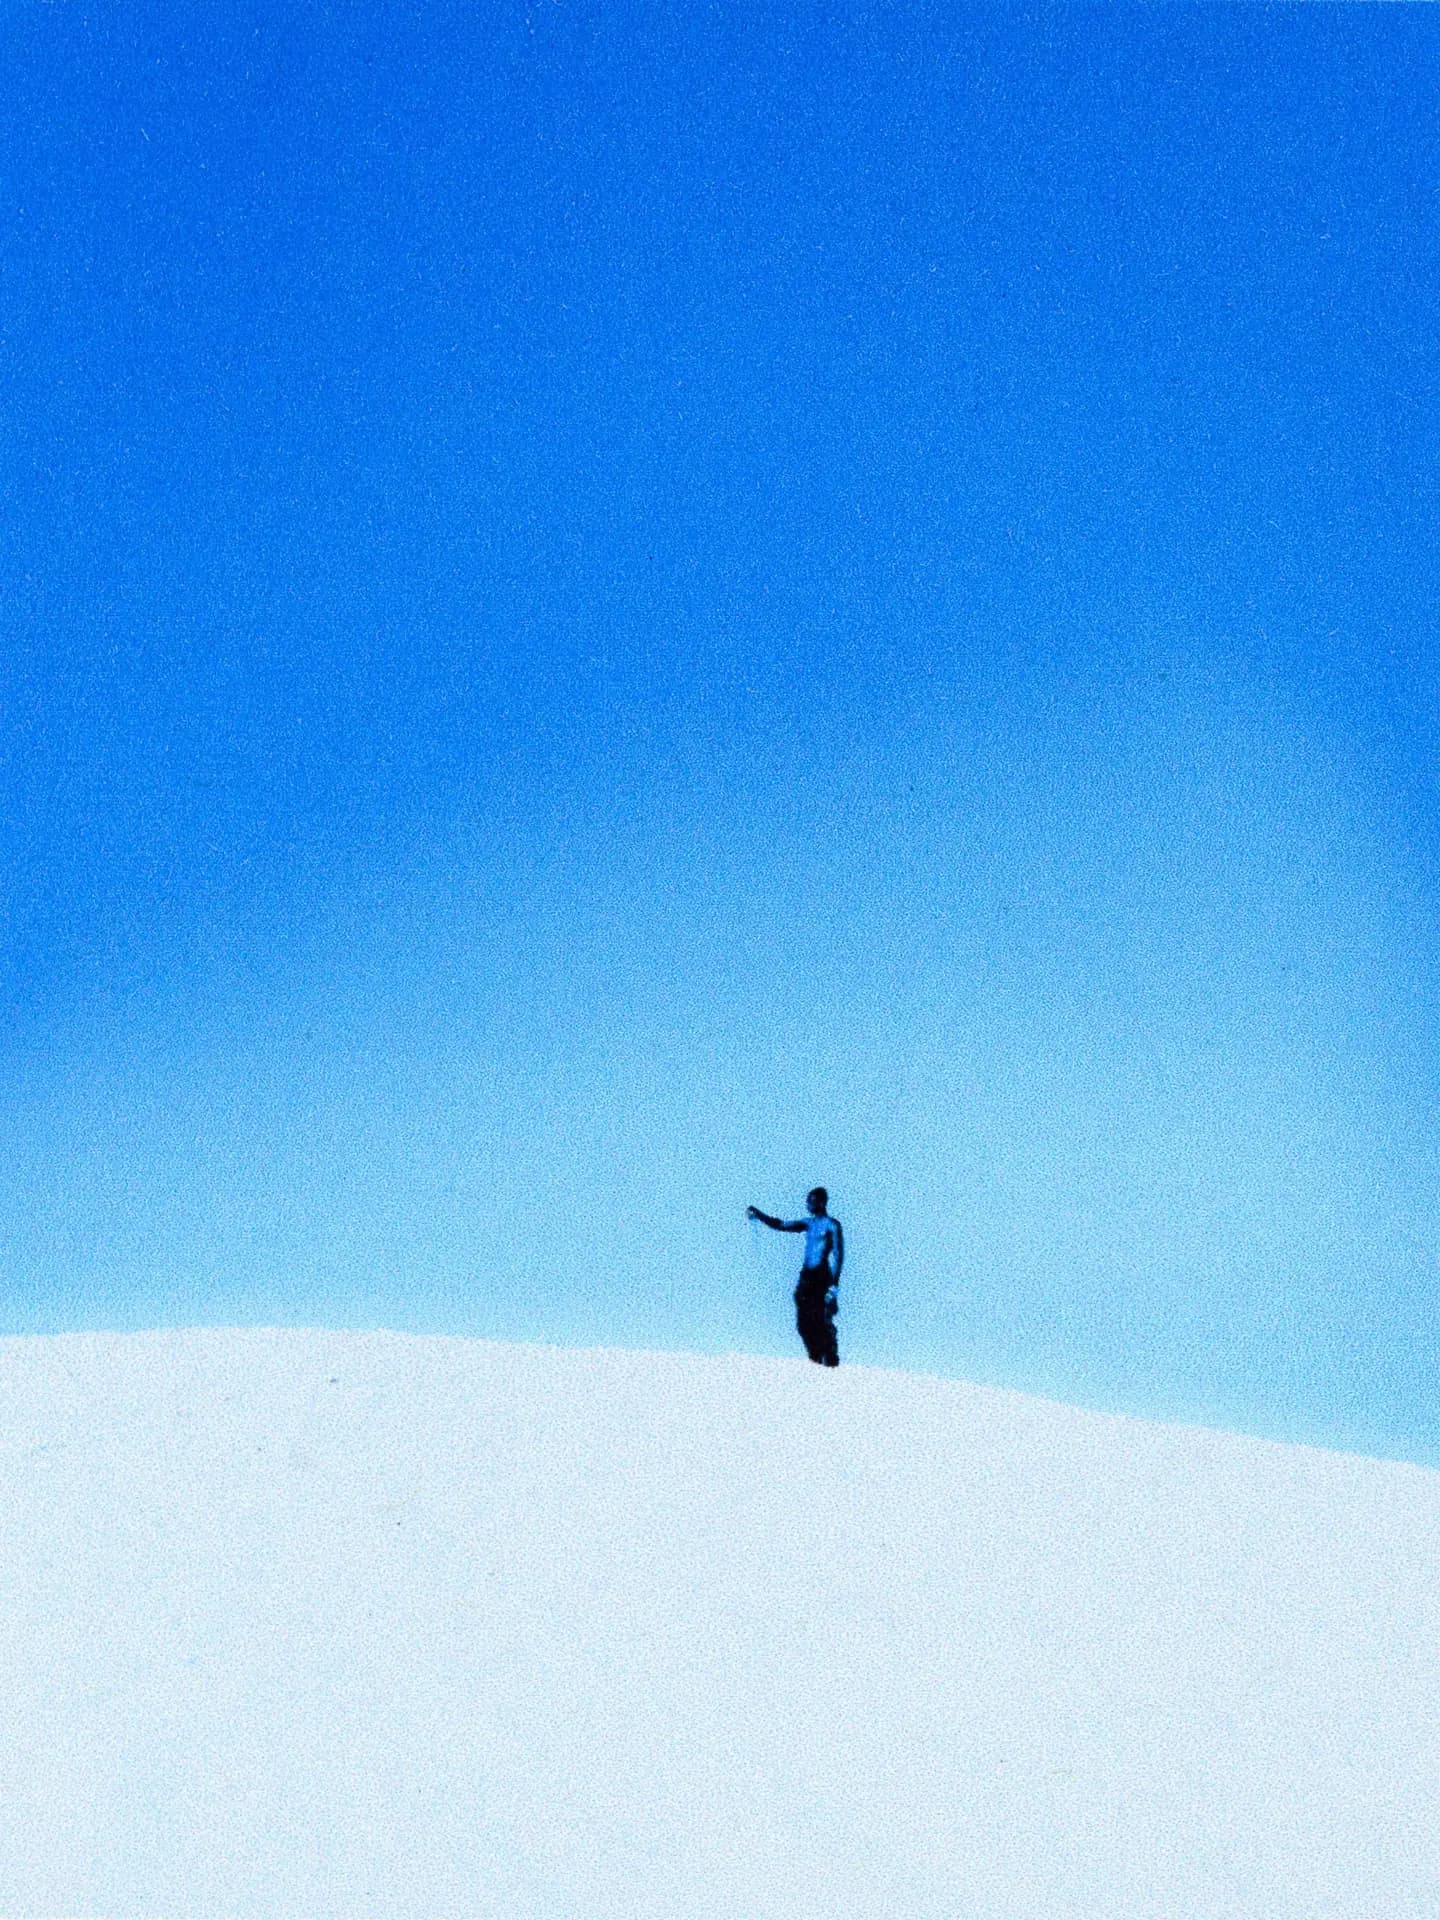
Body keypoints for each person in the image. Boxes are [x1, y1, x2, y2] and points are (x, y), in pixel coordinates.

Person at [747, 1187, 844, 1367]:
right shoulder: (808, 1223)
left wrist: (834, 1286)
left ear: (821, 1203)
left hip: (821, 1276)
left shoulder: (832, 1225)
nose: (808, 1204)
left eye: (811, 1201)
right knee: (803, 1322)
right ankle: (815, 1359)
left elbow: (838, 1255)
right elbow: (780, 1225)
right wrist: (758, 1214)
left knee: (821, 1318)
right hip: (806, 1276)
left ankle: (830, 1360)